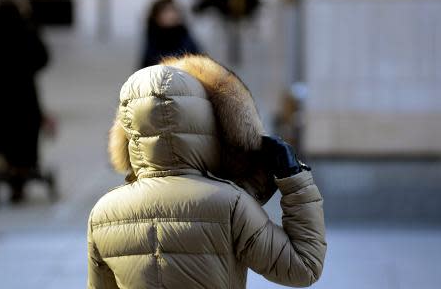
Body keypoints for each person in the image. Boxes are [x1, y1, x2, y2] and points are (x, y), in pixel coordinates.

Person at [87, 54, 326, 288]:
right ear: (207, 123)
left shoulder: (103, 214)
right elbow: (304, 267)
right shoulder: (231, 205)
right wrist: (294, 177)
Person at [0, 0, 49, 202]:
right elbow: (42, 58)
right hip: (23, 94)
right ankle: (18, 181)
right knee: (23, 139)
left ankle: (5, 171)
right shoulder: (26, 30)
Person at [139, 0, 200, 69]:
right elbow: (146, 65)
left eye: (174, 10)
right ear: (156, 16)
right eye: (166, 11)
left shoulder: (184, 35)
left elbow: (199, 63)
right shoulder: (153, 38)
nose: (171, 15)